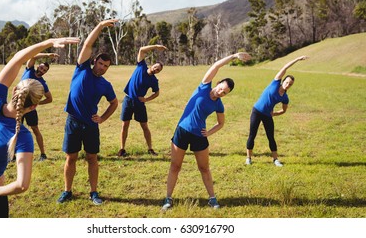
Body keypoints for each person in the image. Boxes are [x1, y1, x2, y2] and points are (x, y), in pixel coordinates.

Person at [0, 37, 80, 218]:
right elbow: (22, 185)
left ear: (13, 90)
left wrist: (49, 41)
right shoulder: (22, 136)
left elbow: (18, 58)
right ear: (33, 107)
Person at [162, 52, 251, 210]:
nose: (220, 92)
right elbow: (216, 65)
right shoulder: (204, 86)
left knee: (204, 168)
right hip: (182, 130)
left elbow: (221, 123)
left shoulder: (219, 105)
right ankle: (168, 199)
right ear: (217, 84)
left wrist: (208, 133)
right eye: (221, 88)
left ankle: (212, 199)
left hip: (199, 136)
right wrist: (234, 56)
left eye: (224, 93)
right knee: (175, 166)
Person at [57, 19, 119, 205]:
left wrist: (102, 118)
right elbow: (87, 44)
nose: (102, 68)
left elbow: (114, 103)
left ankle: (94, 192)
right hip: (73, 121)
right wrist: (100, 26)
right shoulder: (82, 68)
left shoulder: (105, 85)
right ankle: (67, 191)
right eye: (100, 64)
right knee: (71, 157)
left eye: (106, 66)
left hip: (91, 125)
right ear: (94, 62)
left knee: (92, 158)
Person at [245, 56, 308, 167]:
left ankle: (275, 160)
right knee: (252, 135)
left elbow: (284, 110)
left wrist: (273, 114)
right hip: (256, 111)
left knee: (271, 137)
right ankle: (248, 158)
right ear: (283, 81)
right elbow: (285, 67)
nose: (287, 85)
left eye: (290, 84)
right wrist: (297, 59)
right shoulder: (275, 83)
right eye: (287, 82)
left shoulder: (285, 97)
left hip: (267, 116)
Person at [118, 44, 167, 157]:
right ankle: (122, 149)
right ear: (153, 65)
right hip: (128, 100)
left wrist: (146, 99)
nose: (156, 70)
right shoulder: (141, 66)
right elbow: (141, 49)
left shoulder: (154, 80)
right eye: (156, 67)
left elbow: (157, 93)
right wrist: (156, 46)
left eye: (158, 70)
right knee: (125, 125)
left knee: (144, 126)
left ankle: (150, 149)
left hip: (140, 103)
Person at [21, 53, 59, 161]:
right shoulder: (29, 70)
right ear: (38, 66)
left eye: (44, 70)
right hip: (18, 105)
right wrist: (47, 54)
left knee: (35, 129)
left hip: (30, 108)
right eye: (42, 67)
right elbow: (33, 57)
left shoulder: (43, 83)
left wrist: (37, 104)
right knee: (14, 129)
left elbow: (49, 99)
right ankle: (12, 155)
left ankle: (43, 154)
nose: (42, 70)